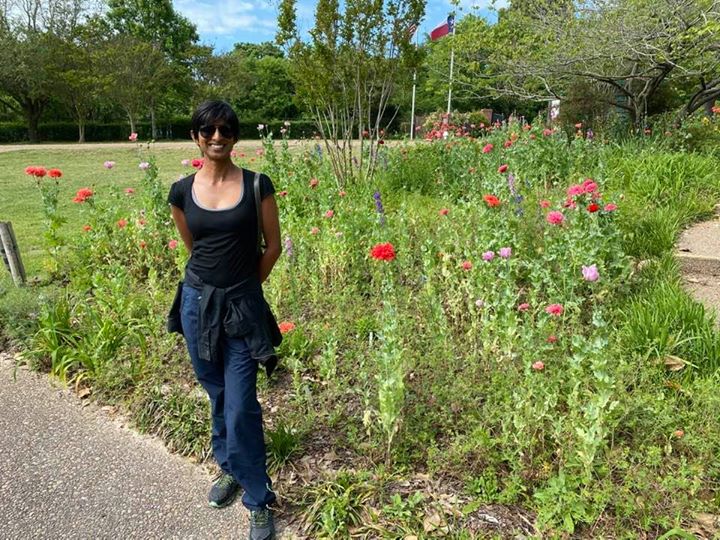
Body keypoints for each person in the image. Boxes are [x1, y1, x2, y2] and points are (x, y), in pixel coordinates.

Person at [167, 100, 282, 540]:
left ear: (235, 136)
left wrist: (245, 290)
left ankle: (257, 496)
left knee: (241, 405)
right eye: (208, 130)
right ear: (196, 136)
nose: (217, 137)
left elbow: (271, 246)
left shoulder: (257, 185)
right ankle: (230, 468)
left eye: (226, 130)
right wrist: (210, 290)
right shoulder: (180, 191)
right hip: (196, 304)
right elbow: (193, 248)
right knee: (216, 394)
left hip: (240, 308)